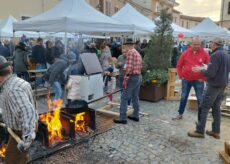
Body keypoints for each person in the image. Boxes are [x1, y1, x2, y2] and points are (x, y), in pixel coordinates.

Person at [188, 38, 230, 139]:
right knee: (216, 107)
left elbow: (211, 73)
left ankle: (200, 131)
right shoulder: (226, 55)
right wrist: (205, 68)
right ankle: (216, 131)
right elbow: (222, 70)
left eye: (211, 42)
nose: (210, 44)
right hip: (222, 84)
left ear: (215, 44)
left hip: (214, 85)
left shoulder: (215, 55)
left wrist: (200, 70)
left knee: (204, 107)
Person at [0, 56, 38, 163]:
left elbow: (27, 112)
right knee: (20, 158)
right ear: (10, 69)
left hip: (23, 130)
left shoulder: (12, 89)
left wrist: (27, 139)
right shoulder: (17, 82)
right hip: (20, 128)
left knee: (11, 160)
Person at [172, 37, 210, 120]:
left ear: (201, 44)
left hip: (198, 80)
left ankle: (201, 117)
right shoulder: (185, 53)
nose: (196, 46)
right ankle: (180, 113)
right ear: (191, 44)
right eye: (195, 44)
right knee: (183, 96)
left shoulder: (205, 54)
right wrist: (181, 75)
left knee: (200, 98)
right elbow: (179, 65)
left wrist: (203, 78)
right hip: (186, 79)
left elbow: (208, 67)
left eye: (198, 44)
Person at [113, 39, 142, 124]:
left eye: (125, 46)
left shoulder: (130, 52)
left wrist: (126, 78)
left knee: (124, 97)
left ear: (128, 46)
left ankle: (122, 118)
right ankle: (136, 115)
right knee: (135, 97)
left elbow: (128, 68)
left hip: (132, 78)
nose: (124, 48)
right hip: (138, 76)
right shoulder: (136, 52)